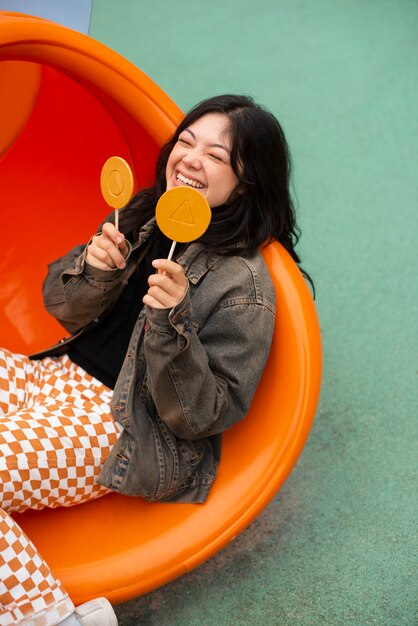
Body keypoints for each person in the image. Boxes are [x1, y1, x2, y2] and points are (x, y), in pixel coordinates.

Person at [0, 94, 313, 625]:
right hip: (49, 374)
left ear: (247, 181)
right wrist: (94, 269)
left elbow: (202, 414)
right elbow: (60, 307)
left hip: (117, 423)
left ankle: (53, 619)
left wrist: (172, 323)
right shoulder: (144, 210)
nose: (191, 158)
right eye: (187, 142)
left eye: (216, 156)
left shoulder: (243, 283)